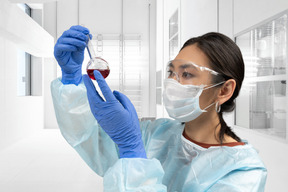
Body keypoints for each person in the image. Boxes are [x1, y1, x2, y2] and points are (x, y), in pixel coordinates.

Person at [51, 25, 267, 191]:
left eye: (187, 74)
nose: (173, 82)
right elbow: (91, 142)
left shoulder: (243, 172)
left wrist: (133, 151)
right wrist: (71, 82)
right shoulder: (155, 133)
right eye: (171, 72)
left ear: (224, 90)